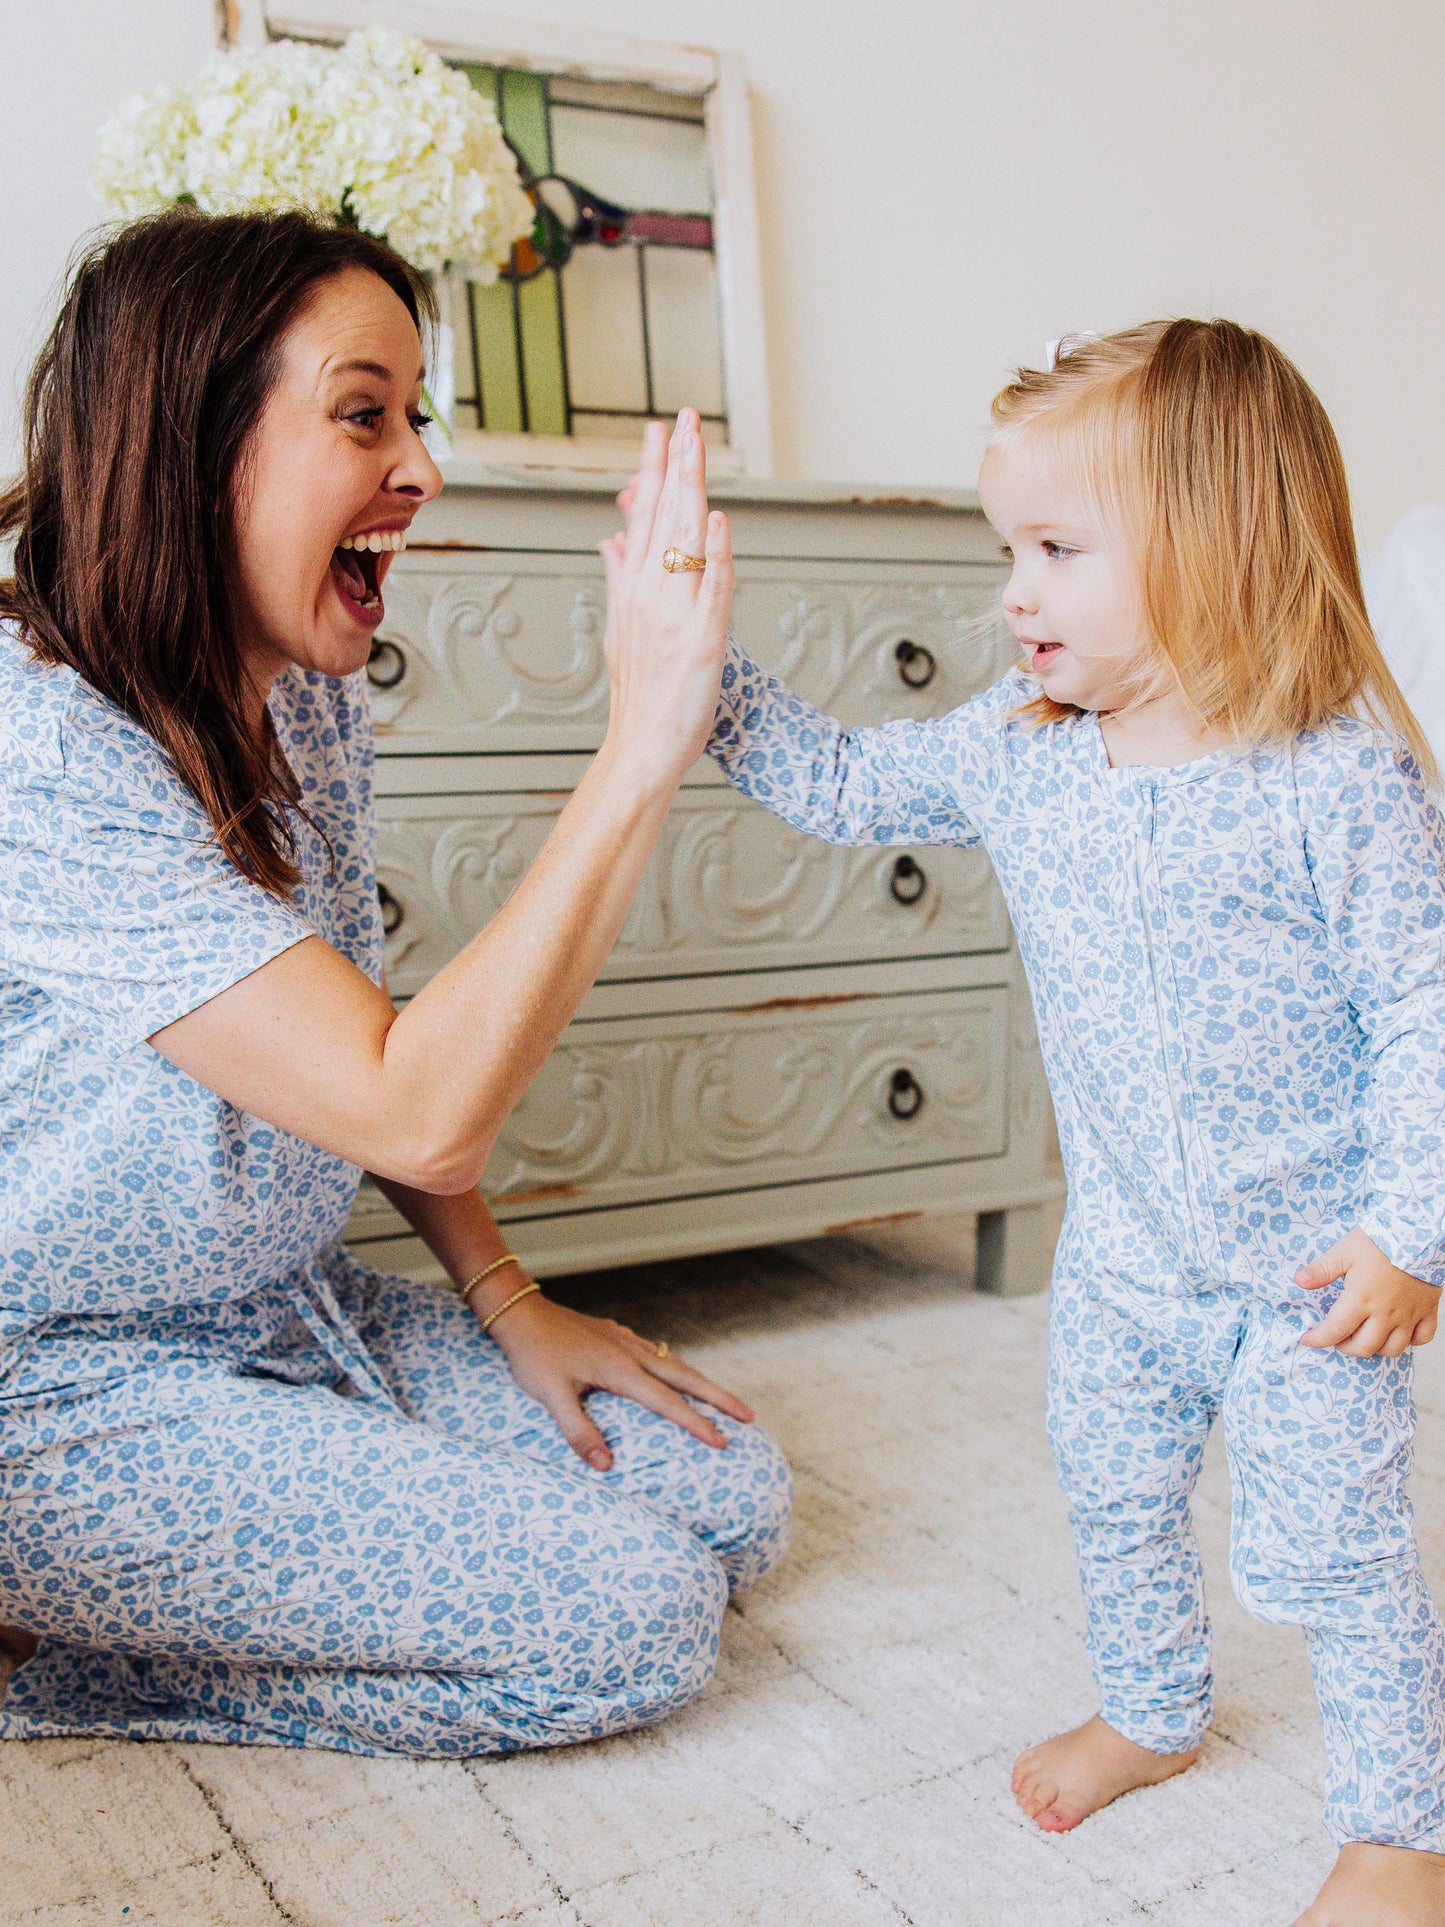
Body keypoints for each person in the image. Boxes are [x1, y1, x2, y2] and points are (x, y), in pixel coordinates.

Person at [0, 207, 790, 1757]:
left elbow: (374, 1038)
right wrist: (640, 747)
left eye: (413, 415)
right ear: (185, 439)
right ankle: (38, 1649)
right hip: (57, 1384)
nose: (419, 468)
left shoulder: (296, 682)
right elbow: (413, 1109)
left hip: (286, 1305)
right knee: (631, 1621)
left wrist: (506, 1298)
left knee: (729, 1500)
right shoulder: (37, 746)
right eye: (365, 414)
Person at [690, 320, 1445, 1925]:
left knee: (1336, 1555)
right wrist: (700, 674)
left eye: (1052, 550)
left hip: (1312, 1282)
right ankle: (1153, 1712)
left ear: (1212, 544)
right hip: (1121, 1259)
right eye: (1005, 549)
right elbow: (834, 781)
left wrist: (1406, 1232)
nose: (1010, 593)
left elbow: (1427, 1019)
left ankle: (1398, 1834)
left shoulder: (1338, 778)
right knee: (1108, 1485)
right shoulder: (1024, 752)